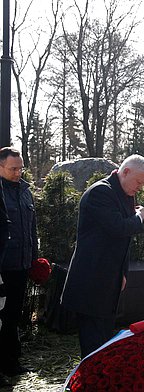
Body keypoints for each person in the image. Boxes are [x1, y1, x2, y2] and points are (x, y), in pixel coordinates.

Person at [61, 155, 144, 357]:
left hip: (109, 279)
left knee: (104, 340)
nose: (140, 188)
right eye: (139, 182)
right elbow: (120, 228)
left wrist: (123, 273)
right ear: (125, 171)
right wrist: (140, 216)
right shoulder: (101, 192)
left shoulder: (123, 193)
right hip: (91, 280)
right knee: (94, 344)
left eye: (143, 184)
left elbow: (124, 242)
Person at [0, 148, 36, 378]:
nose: (18, 172)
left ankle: (11, 362)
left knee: (13, 315)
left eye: (21, 168)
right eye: (13, 168)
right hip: (3, 265)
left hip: (21, 264)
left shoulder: (24, 191)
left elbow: (32, 227)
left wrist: (34, 257)